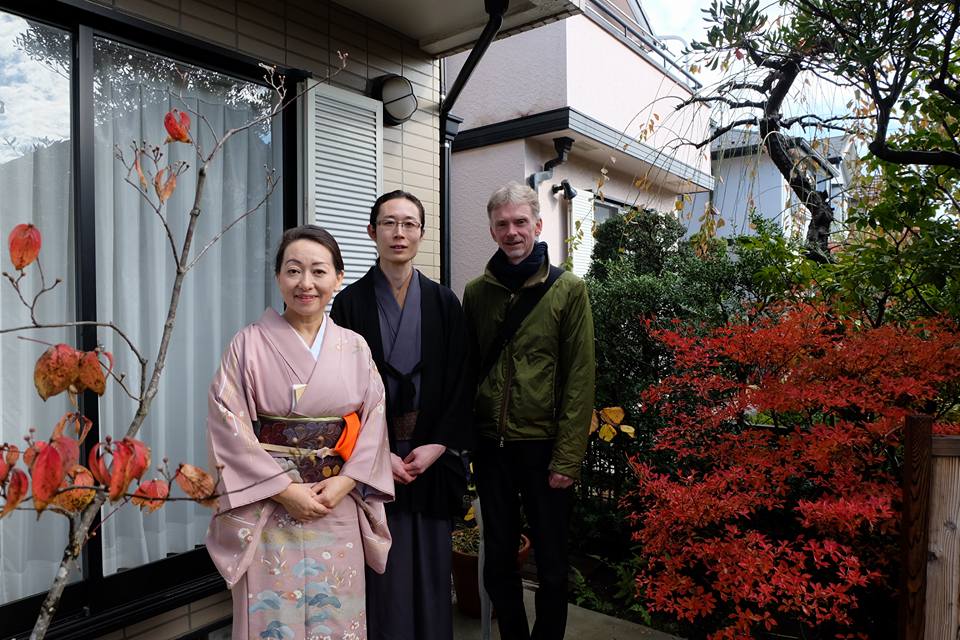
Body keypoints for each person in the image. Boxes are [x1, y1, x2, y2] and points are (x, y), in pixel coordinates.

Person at [205, 225, 394, 640]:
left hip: (335, 501)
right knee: (272, 615)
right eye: (293, 271)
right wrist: (284, 490)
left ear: (338, 278)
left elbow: (374, 421)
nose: (306, 283)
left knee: (337, 613)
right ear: (278, 277)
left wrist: (347, 480)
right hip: (269, 504)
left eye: (318, 271)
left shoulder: (355, 347)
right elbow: (227, 424)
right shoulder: (247, 345)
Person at [331, 190, 471, 640]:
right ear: (371, 231)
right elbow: (340, 391)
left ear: (422, 234)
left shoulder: (444, 302)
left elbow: (461, 379)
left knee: (431, 567)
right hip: (374, 454)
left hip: (429, 455)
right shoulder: (349, 304)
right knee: (381, 567)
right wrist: (376, 453)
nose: (399, 233)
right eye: (389, 223)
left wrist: (439, 444)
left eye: (409, 224)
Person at [462, 182, 595, 640]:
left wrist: (567, 458)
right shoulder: (477, 293)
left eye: (520, 222)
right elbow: (468, 370)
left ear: (537, 225)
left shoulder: (568, 290)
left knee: (553, 565)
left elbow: (580, 377)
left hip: (545, 448)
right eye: (502, 224)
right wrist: (467, 441)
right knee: (498, 561)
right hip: (492, 449)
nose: (512, 232)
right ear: (492, 230)